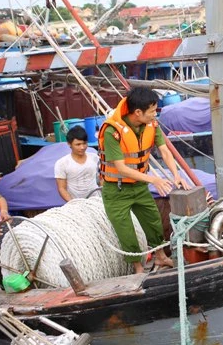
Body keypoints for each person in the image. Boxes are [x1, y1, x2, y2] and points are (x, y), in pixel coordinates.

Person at [98, 87, 189, 274]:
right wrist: (154, 180)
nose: (155, 114)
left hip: (139, 187)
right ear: (138, 112)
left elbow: (164, 150)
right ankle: (138, 267)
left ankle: (161, 257)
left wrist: (176, 174)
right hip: (116, 190)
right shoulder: (112, 131)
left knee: (153, 221)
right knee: (126, 230)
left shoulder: (151, 125)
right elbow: (121, 168)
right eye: (152, 111)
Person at [54, 126, 100, 202]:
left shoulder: (95, 158)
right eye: (78, 144)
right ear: (69, 144)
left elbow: (101, 180)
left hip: (96, 200)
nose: (82, 147)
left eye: (84, 143)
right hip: (75, 202)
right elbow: (62, 188)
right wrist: (73, 203)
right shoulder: (62, 163)